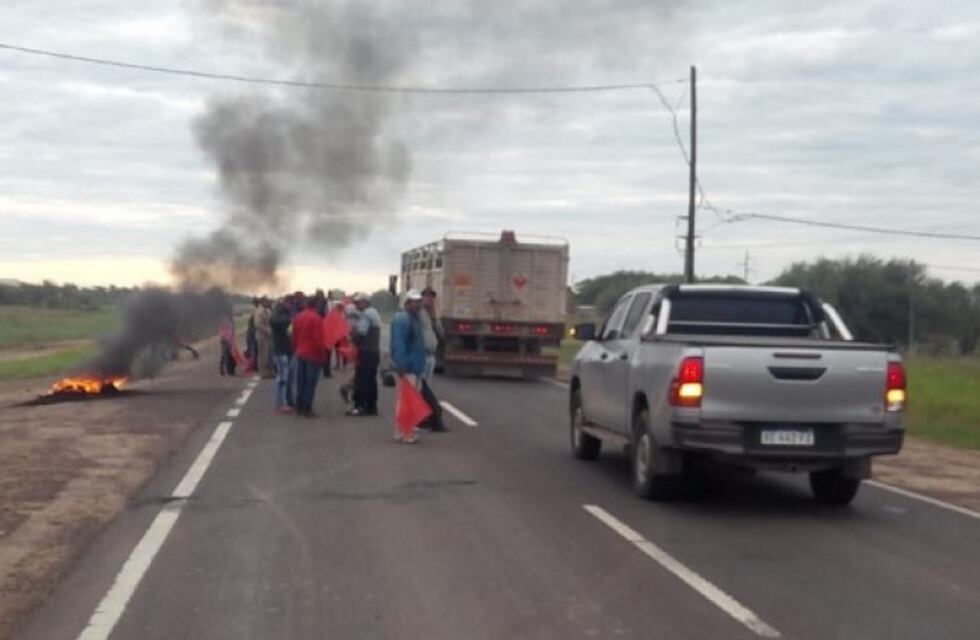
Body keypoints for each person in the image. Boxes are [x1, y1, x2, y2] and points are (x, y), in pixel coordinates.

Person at [389, 289, 427, 443]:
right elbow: (399, 345)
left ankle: (401, 431)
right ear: (407, 303)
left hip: (414, 366)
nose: (417, 305)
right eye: (414, 302)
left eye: (419, 302)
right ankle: (406, 432)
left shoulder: (414, 319)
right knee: (408, 402)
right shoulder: (403, 319)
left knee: (406, 401)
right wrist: (402, 366)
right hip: (408, 367)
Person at [346, 292, 381, 417]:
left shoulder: (366, 314)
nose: (357, 305)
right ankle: (372, 406)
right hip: (374, 351)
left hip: (366, 351)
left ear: (365, 302)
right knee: (371, 380)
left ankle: (360, 406)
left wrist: (352, 337)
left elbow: (361, 332)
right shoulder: (375, 313)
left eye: (359, 302)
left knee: (361, 380)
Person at [292, 296, 326, 417]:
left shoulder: (299, 316)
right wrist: (322, 355)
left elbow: (294, 335)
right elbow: (318, 340)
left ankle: (299, 406)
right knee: (310, 383)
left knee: (300, 381)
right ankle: (307, 408)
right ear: (317, 305)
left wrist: (296, 348)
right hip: (312, 354)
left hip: (300, 352)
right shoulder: (317, 318)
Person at [270, 300, 294, 414]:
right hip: (281, 351)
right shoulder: (278, 317)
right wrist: (289, 320)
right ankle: (281, 404)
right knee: (282, 379)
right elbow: (277, 322)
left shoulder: (279, 315)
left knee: (283, 379)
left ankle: (282, 403)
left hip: (281, 350)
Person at [420, 287, 444, 382]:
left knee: (425, 384)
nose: (430, 299)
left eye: (431, 297)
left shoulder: (431, 314)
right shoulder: (419, 312)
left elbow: (440, 332)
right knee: (420, 384)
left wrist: (434, 316)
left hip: (431, 355)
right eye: (427, 296)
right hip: (421, 354)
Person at [254, 297, 274, 379]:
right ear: (263, 302)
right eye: (267, 302)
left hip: (268, 336)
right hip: (262, 336)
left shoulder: (268, 311)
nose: (269, 303)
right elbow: (258, 324)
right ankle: (263, 373)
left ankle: (270, 372)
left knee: (269, 354)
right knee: (263, 355)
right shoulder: (259, 311)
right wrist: (268, 331)